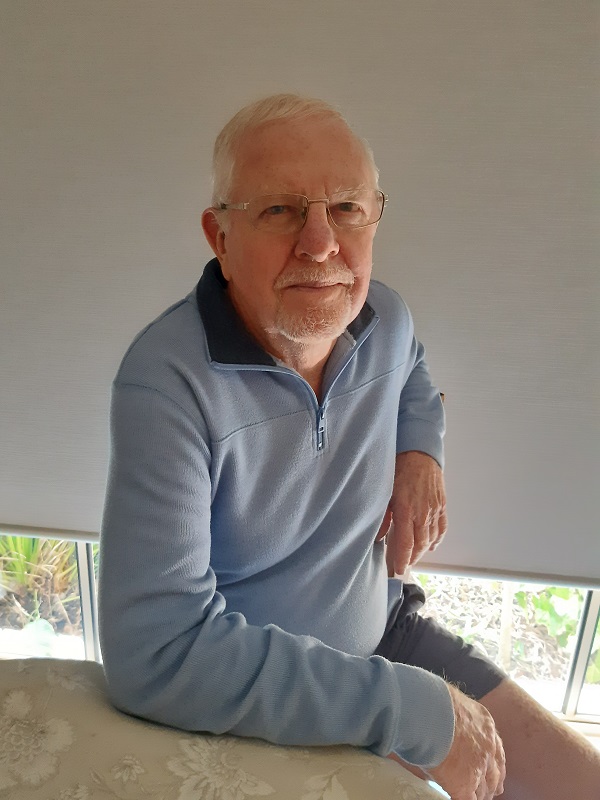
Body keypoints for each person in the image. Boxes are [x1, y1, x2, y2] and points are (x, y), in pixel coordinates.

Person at [99, 94, 600, 800]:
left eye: (347, 209)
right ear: (219, 236)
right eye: (279, 211)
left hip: (388, 633)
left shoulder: (383, 316)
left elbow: (415, 373)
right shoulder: (166, 384)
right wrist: (410, 709)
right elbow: (157, 652)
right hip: (256, 695)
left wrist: (421, 454)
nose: (320, 243)